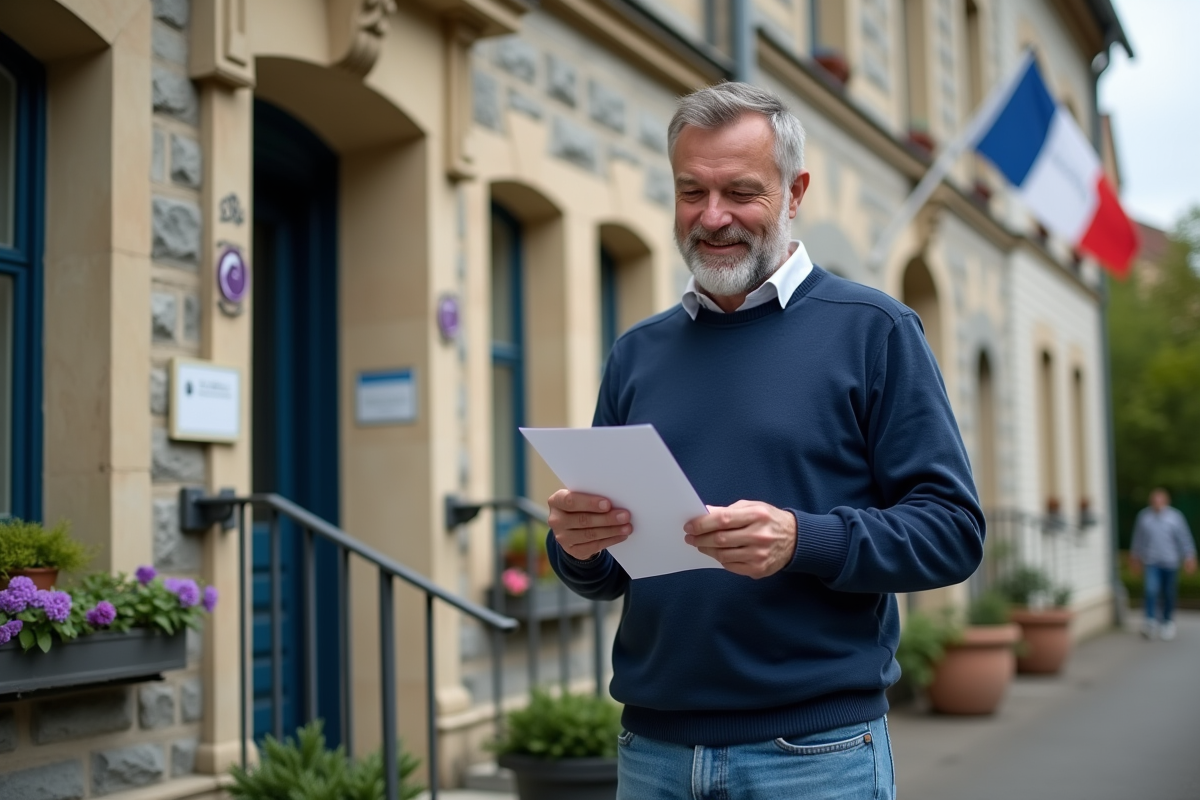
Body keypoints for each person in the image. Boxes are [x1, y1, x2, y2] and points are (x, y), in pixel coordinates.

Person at [545, 82, 984, 800]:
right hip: (651, 753)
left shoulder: (874, 331)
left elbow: (953, 532)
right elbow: (609, 571)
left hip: (815, 756)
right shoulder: (637, 353)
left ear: (794, 191)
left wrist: (801, 540)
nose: (711, 217)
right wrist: (578, 545)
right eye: (692, 191)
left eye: (740, 192)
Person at [1130, 488, 1196, 641]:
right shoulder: (1144, 517)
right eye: (1154, 500)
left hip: (1170, 562)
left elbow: (1184, 538)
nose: (1157, 503)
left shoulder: (1175, 517)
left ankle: (1167, 622)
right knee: (1150, 590)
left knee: (1168, 592)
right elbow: (1138, 539)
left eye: (1160, 500)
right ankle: (1150, 621)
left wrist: (1189, 556)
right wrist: (1135, 557)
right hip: (1152, 561)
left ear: (1166, 501)